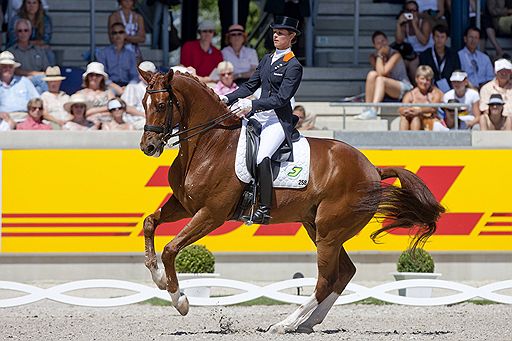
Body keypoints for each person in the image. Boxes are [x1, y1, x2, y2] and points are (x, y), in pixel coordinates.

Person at [220, 16, 303, 224]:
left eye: (281, 33)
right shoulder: (267, 58)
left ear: (291, 37)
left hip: (276, 120)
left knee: (261, 156)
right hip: (258, 116)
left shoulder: (293, 65)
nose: (276, 35)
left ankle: (264, 208)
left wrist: (252, 105)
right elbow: (250, 86)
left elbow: (282, 98)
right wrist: (225, 98)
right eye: (275, 31)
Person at [356, 31, 412, 120]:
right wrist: (378, 56)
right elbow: (378, 72)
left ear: (387, 41)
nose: (382, 44)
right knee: (372, 74)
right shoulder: (372, 57)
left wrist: (380, 55)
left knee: (380, 79)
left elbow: (382, 73)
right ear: (374, 46)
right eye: (378, 43)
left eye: (383, 41)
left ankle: (374, 110)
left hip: (403, 86)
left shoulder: (395, 54)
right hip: (387, 87)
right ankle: (367, 108)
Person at [395, 1, 434, 81]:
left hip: (426, 52)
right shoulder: (405, 24)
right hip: (411, 53)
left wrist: (414, 25)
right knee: (399, 62)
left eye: (414, 11)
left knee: (413, 63)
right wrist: (399, 24)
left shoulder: (424, 23)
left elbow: (424, 42)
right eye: (409, 10)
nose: (411, 13)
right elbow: (399, 41)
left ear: (417, 12)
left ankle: (416, 88)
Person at [7, 18, 49, 93]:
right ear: (16, 33)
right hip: (19, 82)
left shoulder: (39, 50)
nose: (23, 33)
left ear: (30, 32)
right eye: (20, 31)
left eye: (26, 30)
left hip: (37, 83)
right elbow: (13, 70)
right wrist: (34, 74)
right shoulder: (11, 52)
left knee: (38, 89)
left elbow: (47, 69)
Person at [7, 0, 54, 64]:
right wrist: (33, 43)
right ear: (24, 4)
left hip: (37, 48)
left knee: (48, 51)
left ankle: (50, 72)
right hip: (18, 47)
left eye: (34, 3)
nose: (31, 6)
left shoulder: (45, 19)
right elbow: (14, 39)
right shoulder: (16, 18)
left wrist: (29, 44)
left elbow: (46, 39)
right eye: (29, 3)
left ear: (39, 4)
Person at [399, 65, 443, 130]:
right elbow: (402, 108)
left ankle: (416, 139)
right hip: (413, 120)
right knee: (404, 118)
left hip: (430, 121)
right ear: (416, 79)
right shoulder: (410, 95)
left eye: (428, 79)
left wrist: (420, 110)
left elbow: (433, 108)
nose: (425, 82)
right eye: (422, 79)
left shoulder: (435, 92)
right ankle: (402, 139)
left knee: (416, 117)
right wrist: (407, 111)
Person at [419, 25, 461, 92]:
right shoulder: (425, 55)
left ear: (446, 38)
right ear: (433, 37)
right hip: (429, 89)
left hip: (450, 89)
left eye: (442, 37)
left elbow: (457, 73)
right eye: (437, 36)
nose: (439, 40)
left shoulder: (453, 55)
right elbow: (422, 74)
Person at [0, 51, 39, 123]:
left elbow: (37, 101)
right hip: (3, 119)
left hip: (25, 118)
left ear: (14, 68)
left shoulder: (24, 81)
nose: (7, 69)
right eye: (4, 66)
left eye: (10, 66)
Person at [96, 22, 139, 88]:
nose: (118, 35)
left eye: (121, 32)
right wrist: (115, 87)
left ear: (125, 34)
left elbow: (134, 75)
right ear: (111, 36)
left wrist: (129, 87)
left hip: (128, 85)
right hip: (109, 85)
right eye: (115, 33)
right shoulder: (103, 53)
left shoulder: (131, 54)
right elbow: (102, 74)